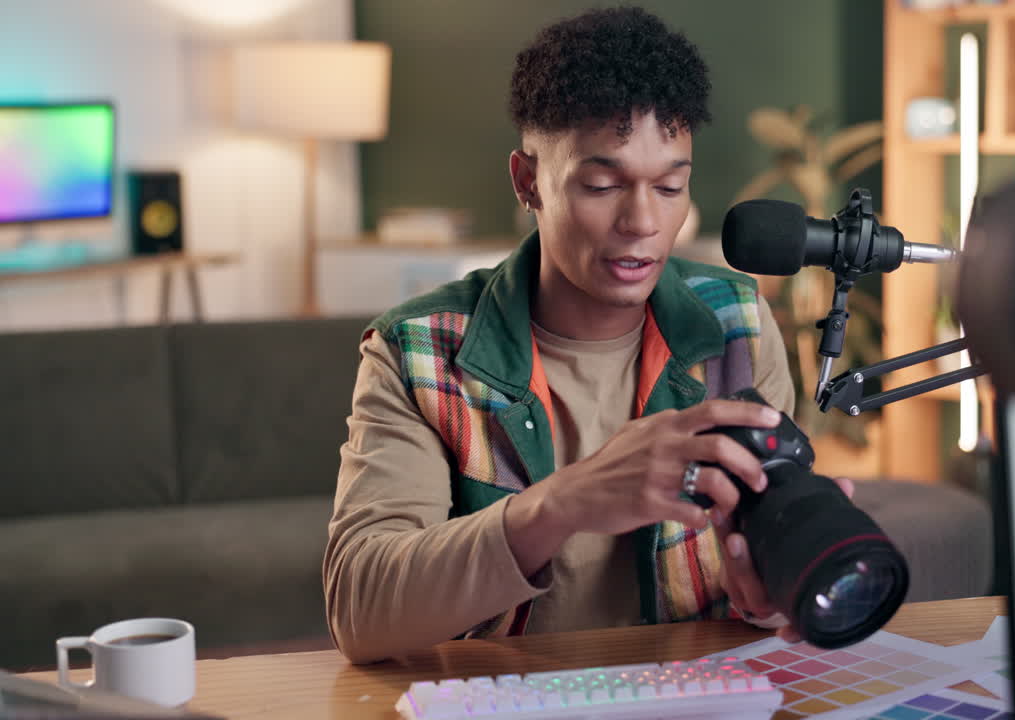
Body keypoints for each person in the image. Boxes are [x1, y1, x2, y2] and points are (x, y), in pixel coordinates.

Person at [323, 6, 854, 664]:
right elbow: (360, 609)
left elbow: (753, 588)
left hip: (691, 699)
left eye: (670, 186)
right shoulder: (418, 351)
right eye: (602, 184)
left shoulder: (737, 326)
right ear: (528, 182)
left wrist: (770, 592)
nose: (642, 221)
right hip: (499, 703)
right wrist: (563, 503)